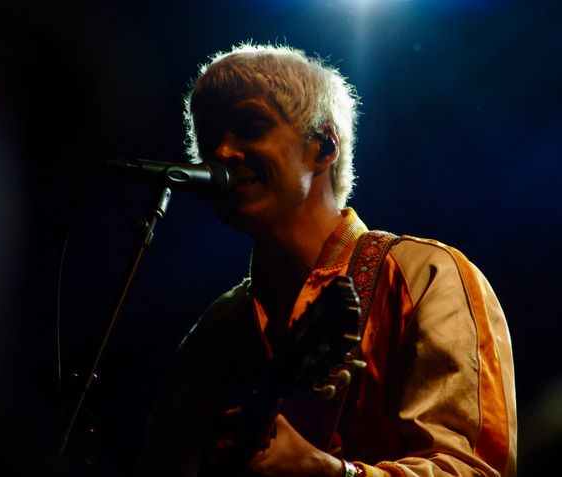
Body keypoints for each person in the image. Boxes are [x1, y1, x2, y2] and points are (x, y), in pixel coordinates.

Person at [136, 43, 517, 477]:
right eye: (209, 139)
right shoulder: (216, 332)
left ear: (323, 145)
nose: (221, 153)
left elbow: (471, 469)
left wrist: (333, 472)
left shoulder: (427, 276)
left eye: (250, 128)